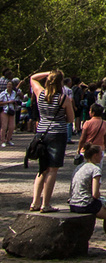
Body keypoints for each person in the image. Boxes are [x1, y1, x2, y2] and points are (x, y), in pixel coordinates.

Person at [29, 69, 75, 213]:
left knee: (42, 169)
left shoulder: (40, 94)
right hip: (57, 134)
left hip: (41, 132)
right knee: (52, 169)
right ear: (61, 82)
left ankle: (35, 201)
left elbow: (33, 78)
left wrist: (48, 73)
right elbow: (71, 119)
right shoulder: (63, 98)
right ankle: (46, 203)